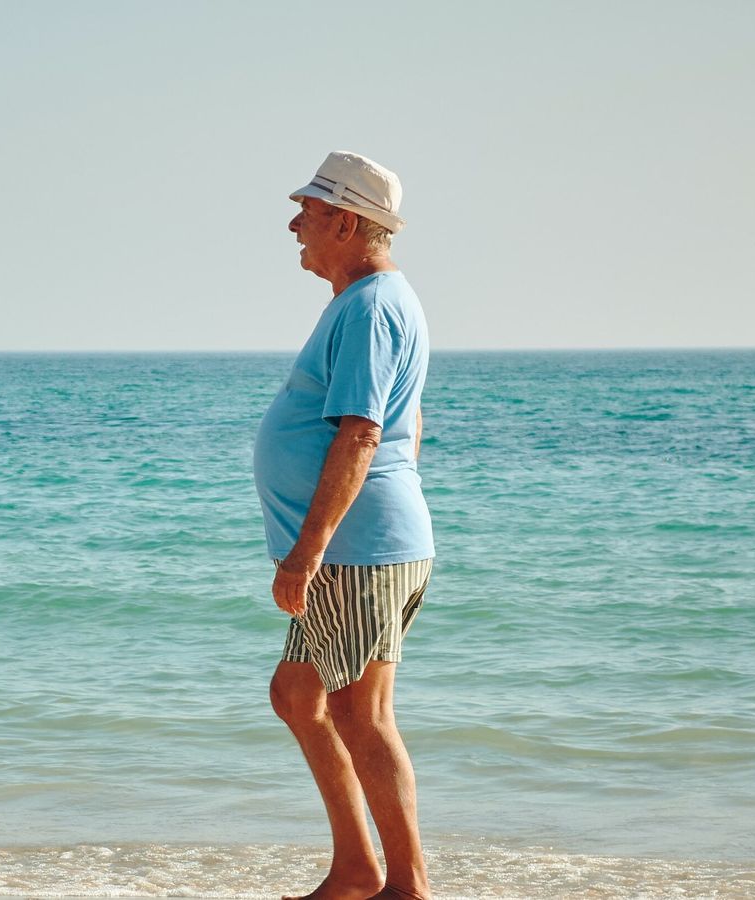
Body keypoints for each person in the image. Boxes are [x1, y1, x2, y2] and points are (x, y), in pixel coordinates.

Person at [254, 152, 435, 900]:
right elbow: (409, 425)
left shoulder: (371, 306)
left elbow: (362, 432)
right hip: (361, 544)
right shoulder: (366, 302)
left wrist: (310, 549)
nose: (294, 223)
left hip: (356, 551)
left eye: (309, 209)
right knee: (299, 695)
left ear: (346, 222)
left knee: (361, 712)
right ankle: (358, 870)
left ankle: (407, 886)